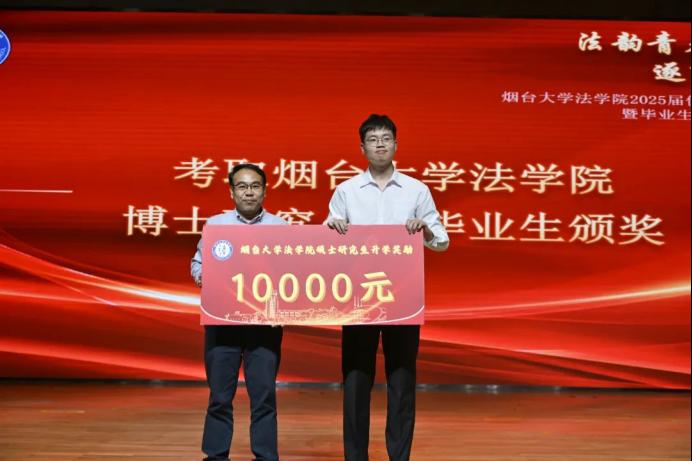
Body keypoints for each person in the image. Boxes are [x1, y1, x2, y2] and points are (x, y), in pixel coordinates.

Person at [326, 114, 449, 461]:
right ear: (362, 147)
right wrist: (333, 228)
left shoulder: (416, 190)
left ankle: (399, 456)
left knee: (402, 381)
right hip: (357, 298)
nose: (380, 144)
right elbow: (328, 239)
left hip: (402, 298)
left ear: (396, 144)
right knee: (355, 381)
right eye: (373, 139)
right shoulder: (347, 190)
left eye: (386, 138)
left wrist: (425, 229)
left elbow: (442, 240)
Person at [191, 163, 287, 461]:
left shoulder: (281, 228)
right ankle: (215, 456)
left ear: (265, 191)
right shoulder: (216, 225)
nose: (249, 192)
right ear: (231, 192)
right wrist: (203, 276)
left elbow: (292, 272)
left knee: (264, 396)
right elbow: (198, 263)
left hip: (264, 324)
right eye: (242, 186)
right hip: (223, 323)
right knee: (220, 396)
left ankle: (266, 456)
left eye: (255, 186)